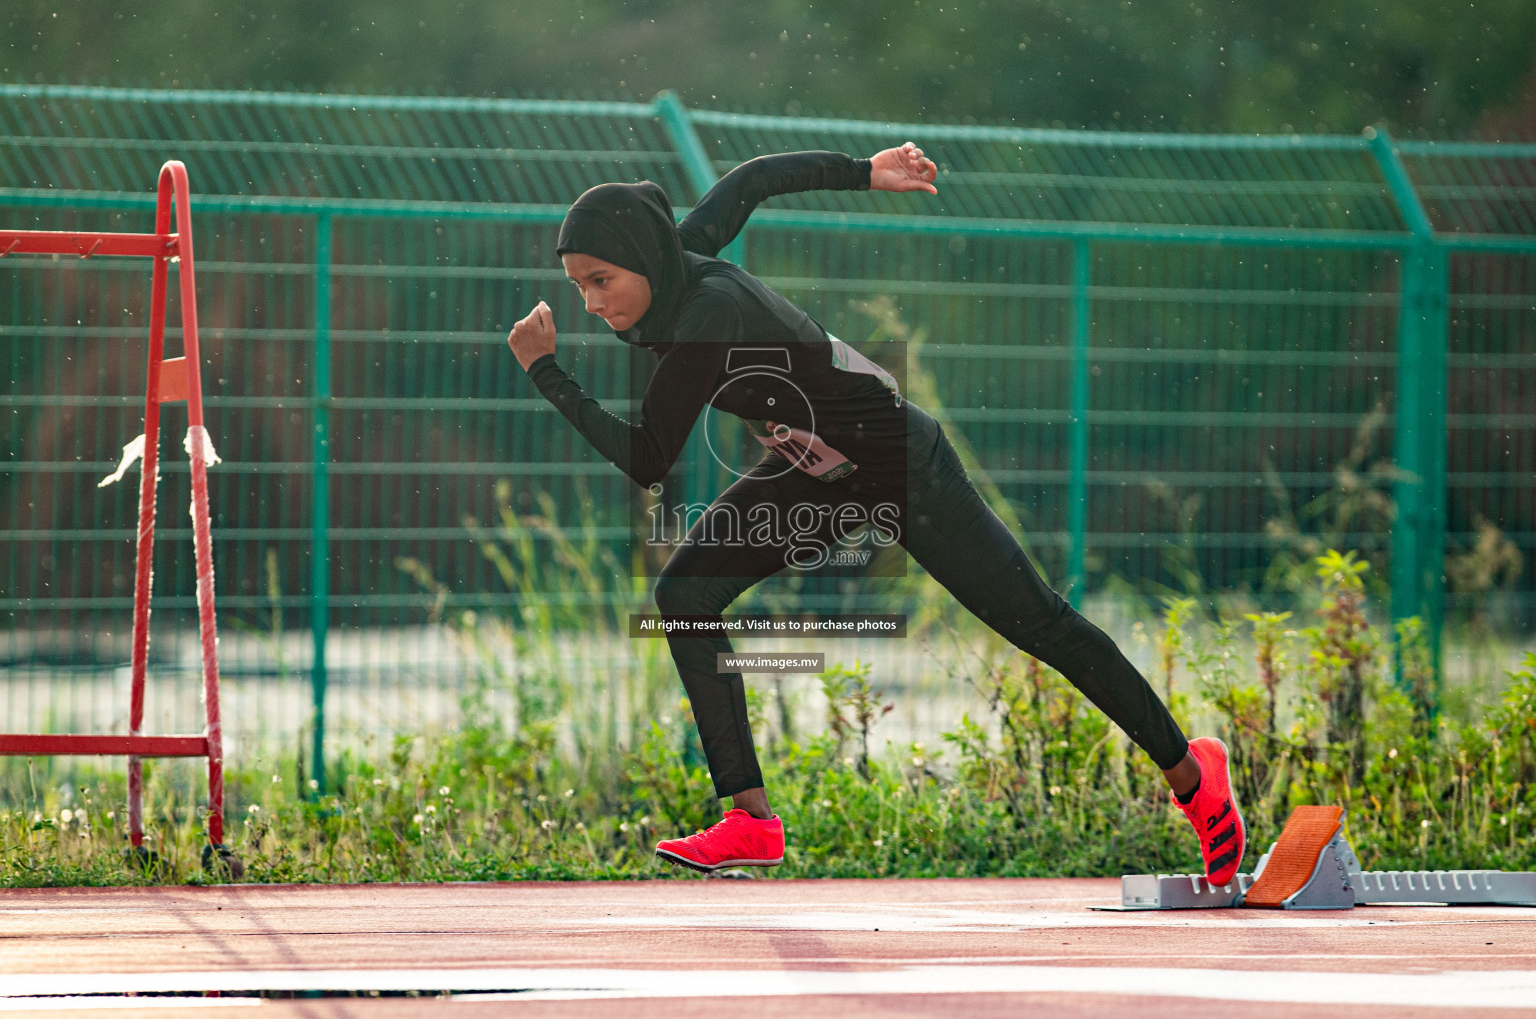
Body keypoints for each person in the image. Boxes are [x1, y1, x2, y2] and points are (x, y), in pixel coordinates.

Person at [507, 143, 1245, 885]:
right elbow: (754, 180)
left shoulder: (708, 311)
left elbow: (648, 456)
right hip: (815, 472)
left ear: (643, 257)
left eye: (601, 281)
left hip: (900, 467)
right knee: (685, 594)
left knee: (1040, 624)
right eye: (578, 288)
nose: (593, 304)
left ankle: (1194, 774)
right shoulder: (677, 260)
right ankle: (751, 821)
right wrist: (865, 171)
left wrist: (547, 372)